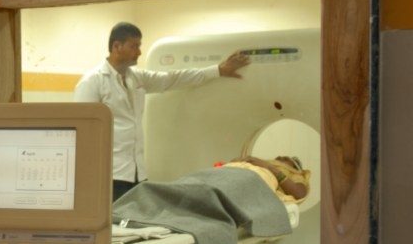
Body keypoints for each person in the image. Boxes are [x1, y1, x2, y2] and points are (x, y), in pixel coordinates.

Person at [74, 21, 251, 201]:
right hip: (109, 174)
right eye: (134, 46)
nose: (139, 52)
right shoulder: (92, 82)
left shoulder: (136, 78)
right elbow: (81, 133)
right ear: (117, 46)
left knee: (136, 217)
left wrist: (218, 70)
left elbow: (173, 79)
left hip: (137, 174)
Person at [221, 155, 311, 203]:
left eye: (285, 158)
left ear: (294, 167)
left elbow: (299, 194)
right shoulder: (262, 163)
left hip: (254, 179)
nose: (279, 156)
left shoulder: (295, 174)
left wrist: (269, 167)